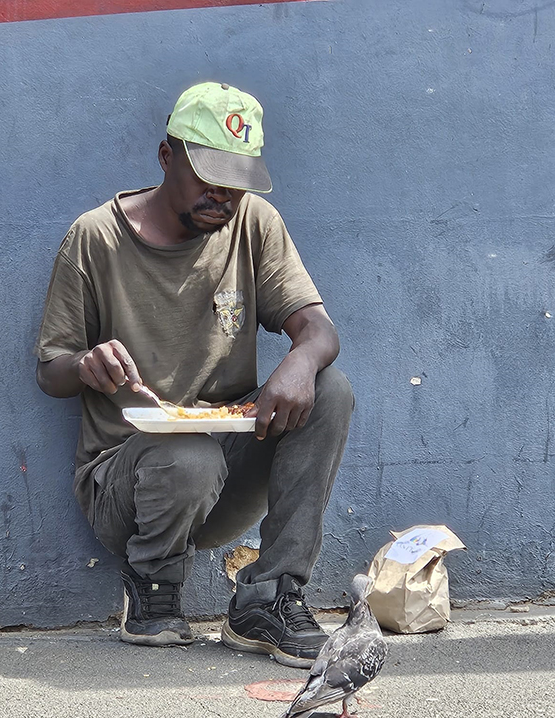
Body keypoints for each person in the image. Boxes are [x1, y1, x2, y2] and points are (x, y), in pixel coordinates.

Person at [34, 82, 354, 668]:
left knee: (329, 389)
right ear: (165, 156)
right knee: (187, 456)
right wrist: (85, 365)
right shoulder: (95, 237)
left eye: (236, 181)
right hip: (128, 483)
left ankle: (270, 597)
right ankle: (153, 584)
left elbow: (320, 331)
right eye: (207, 174)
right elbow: (50, 372)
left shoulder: (254, 223)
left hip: (223, 467)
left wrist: (300, 362)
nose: (222, 195)